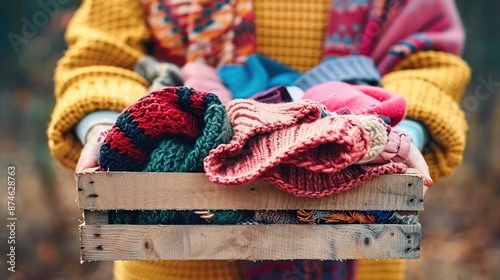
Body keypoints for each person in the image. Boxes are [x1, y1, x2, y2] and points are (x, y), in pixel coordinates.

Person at [48, 0, 470, 279]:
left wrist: (390, 135)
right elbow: (103, 56)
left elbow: (426, 61)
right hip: (171, 262)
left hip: (359, 253)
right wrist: (111, 129)